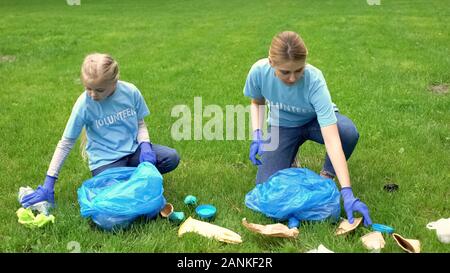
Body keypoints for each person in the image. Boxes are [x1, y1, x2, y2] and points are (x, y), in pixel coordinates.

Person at [244, 31, 372, 226]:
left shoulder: (314, 79)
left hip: (314, 122)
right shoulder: (259, 72)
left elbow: (332, 139)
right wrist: (257, 135)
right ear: (271, 62)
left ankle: (326, 176)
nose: (293, 78)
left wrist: (347, 191)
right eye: (285, 72)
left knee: (346, 131)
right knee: (266, 187)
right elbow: (257, 102)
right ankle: (290, 158)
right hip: (283, 125)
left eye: (299, 70)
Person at [21, 53, 180, 208]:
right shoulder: (83, 105)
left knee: (171, 157)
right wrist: (49, 183)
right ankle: (134, 180)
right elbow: (66, 143)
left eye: (99, 90)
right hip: (106, 161)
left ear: (115, 82)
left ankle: (131, 180)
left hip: (133, 152)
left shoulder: (130, 92)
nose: (92, 94)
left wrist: (145, 146)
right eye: (88, 88)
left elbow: (140, 124)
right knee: (115, 197)